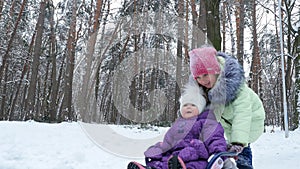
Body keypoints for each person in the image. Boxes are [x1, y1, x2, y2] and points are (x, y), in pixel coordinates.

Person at [188, 45, 266, 169]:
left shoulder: (237, 88)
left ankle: (245, 164)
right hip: (228, 122)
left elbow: (243, 114)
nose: (202, 80)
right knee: (216, 144)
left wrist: (238, 142)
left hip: (251, 121)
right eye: (198, 77)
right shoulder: (205, 89)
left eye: (205, 75)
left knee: (242, 151)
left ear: (216, 70)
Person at [127, 83, 230, 169]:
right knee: (161, 161)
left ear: (201, 108)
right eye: (185, 105)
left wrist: (218, 155)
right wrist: (160, 148)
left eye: (193, 105)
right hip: (173, 157)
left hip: (196, 156)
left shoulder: (206, 122)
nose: (188, 107)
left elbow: (215, 139)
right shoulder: (177, 125)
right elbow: (168, 141)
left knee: (192, 164)